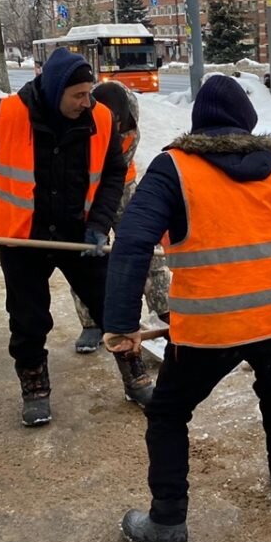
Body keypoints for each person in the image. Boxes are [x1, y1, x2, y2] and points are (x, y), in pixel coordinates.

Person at [102, 74, 271, 542]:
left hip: (211, 324)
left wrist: (121, 323)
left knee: (169, 412)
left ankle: (167, 523)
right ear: (246, 123)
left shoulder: (174, 167)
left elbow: (131, 242)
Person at [0, 46, 147, 427]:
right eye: (78, 95)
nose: (86, 102)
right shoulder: (6, 116)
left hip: (78, 235)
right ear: (55, 91)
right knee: (28, 320)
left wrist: (99, 224)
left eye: (89, 93)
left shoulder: (101, 119)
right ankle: (35, 387)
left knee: (115, 307)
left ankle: (135, 374)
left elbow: (113, 173)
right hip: (23, 239)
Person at [67, 81, 169, 404]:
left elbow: (126, 150)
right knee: (89, 256)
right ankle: (92, 323)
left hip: (123, 182)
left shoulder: (129, 109)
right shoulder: (85, 116)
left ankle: (164, 307)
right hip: (87, 189)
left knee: (145, 248)